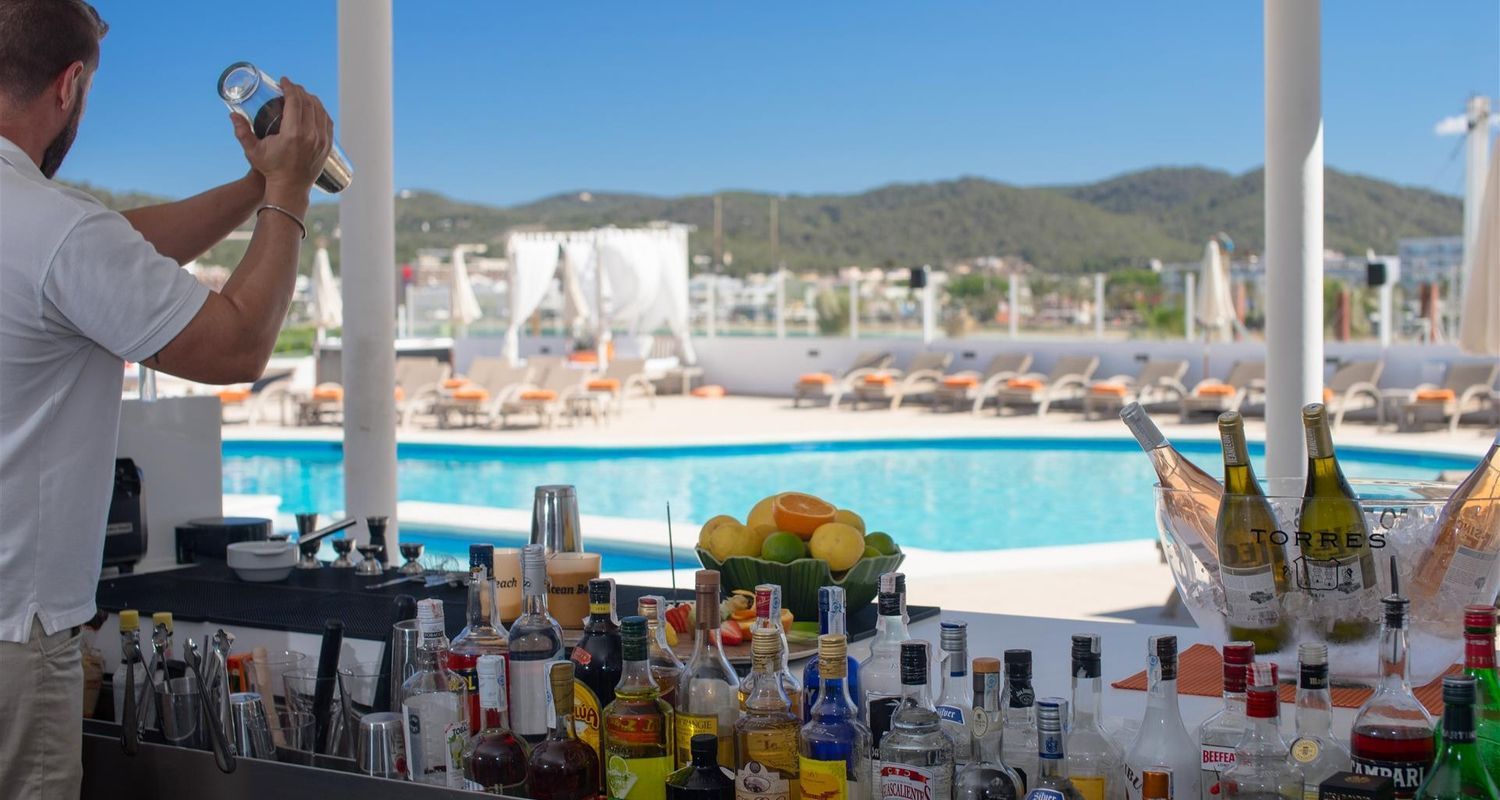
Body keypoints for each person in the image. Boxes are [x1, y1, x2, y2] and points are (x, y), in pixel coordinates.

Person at [0, 0, 334, 793]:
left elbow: (114, 246)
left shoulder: (46, 228)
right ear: (69, 84)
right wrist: (289, 192)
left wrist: (256, 182)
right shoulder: (51, 229)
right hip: (12, 629)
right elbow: (237, 345)